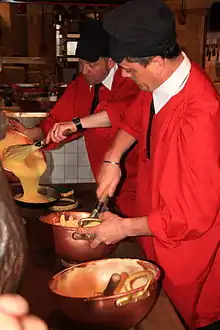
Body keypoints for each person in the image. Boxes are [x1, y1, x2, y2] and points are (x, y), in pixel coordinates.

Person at [76, 0, 220, 329]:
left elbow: (192, 217)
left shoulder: (199, 116)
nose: (123, 76)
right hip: (155, 238)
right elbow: (135, 119)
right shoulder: (161, 83)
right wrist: (113, 157)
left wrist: (124, 227)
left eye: (128, 69)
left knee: (175, 320)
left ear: (155, 62)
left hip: (187, 258)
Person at [10, 19, 140, 216]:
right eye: (81, 64)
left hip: (136, 178)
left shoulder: (131, 80)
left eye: (92, 65)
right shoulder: (81, 85)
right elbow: (56, 120)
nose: (84, 71)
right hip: (104, 179)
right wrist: (32, 134)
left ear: (111, 61)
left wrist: (77, 124)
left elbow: (121, 114)